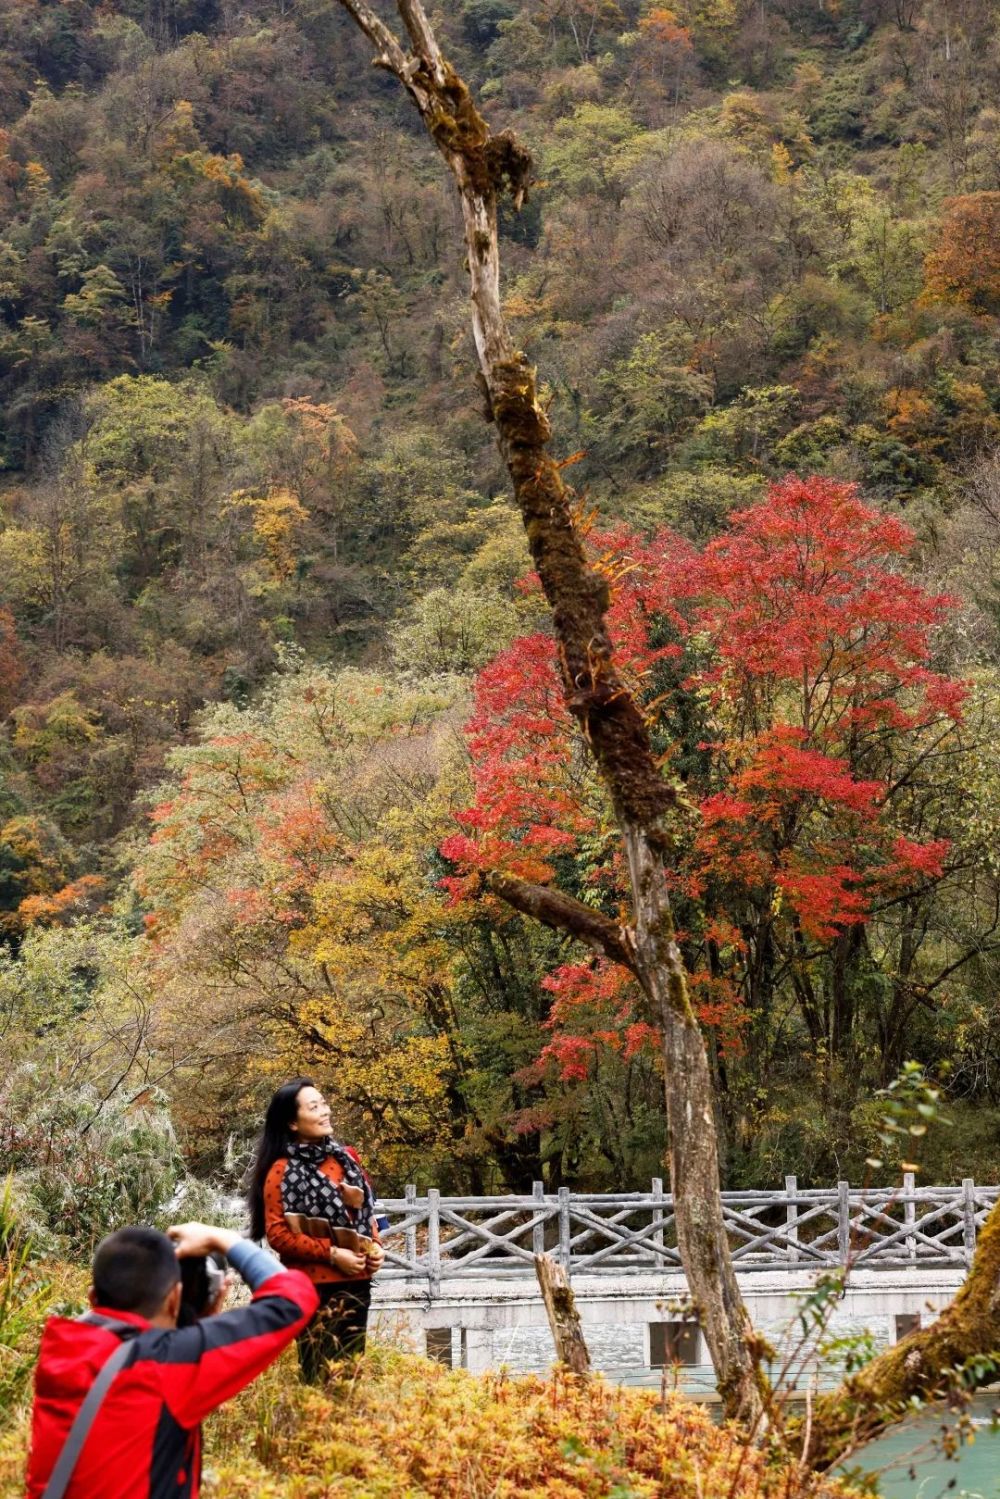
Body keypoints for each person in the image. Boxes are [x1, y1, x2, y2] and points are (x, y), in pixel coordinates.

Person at [25, 1220, 318, 1499]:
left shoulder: (64, 1352)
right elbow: (293, 1299)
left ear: (92, 1298)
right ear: (174, 1300)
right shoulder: (164, 1366)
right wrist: (224, 1239)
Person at [247, 1078, 385, 1383]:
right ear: (292, 1123)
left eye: (323, 1103)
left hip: (357, 1283)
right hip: (313, 1288)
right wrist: (333, 1254)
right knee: (317, 1379)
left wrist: (375, 1247)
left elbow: (366, 1213)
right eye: (314, 1107)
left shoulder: (346, 1158)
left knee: (350, 1378)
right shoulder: (281, 1171)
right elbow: (279, 1235)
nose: (325, 1111)